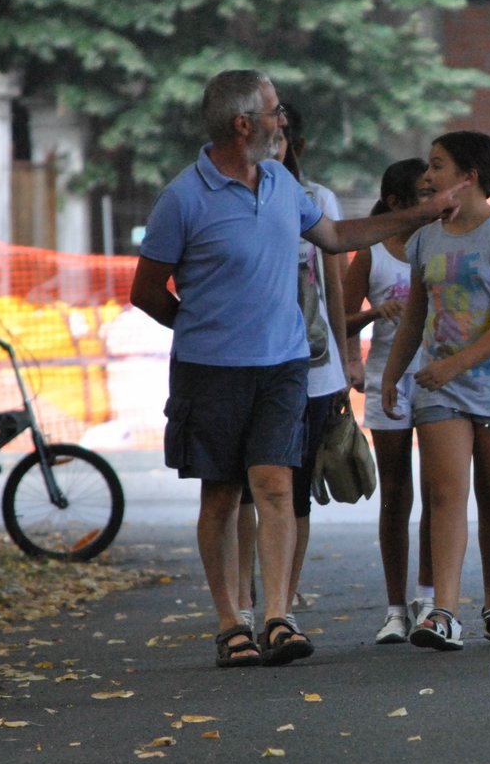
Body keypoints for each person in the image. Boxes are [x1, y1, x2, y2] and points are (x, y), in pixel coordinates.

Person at [130, 69, 450, 669]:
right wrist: (201, 327)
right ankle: (231, 623)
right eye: (275, 113)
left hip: (284, 366)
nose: (284, 122)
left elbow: (334, 235)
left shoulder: (279, 181)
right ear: (242, 124)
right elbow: (146, 291)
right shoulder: (183, 197)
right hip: (211, 370)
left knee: (276, 486)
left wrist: (421, 215)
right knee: (222, 496)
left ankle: (277, 615)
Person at [382, 131, 490, 651]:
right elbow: (414, 317)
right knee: (444, 495)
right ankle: (442, 611)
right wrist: (390, 374)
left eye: (438, 166)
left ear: (468, 176)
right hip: (438, 388)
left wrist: (458, 365)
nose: (427, 176)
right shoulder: (425, 238)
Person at [234, 105, 357, 633]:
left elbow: (334, 286)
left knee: (295, 487)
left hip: (314, 366)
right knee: (242, 487)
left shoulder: (315, 201)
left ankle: (283, 591)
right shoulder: (233, 199)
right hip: (247, 360)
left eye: (281, 142)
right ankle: (242, 594)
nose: (273, 150)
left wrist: (348, 358)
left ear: (294, 147)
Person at [343, 159, 436, 644]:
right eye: (424, 191)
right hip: (388, 381)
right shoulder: (373, 254)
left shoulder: (444, 244)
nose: (435, 197)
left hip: (442, 380)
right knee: (397, 493)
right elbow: (338, 320)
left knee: (440, 491)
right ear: (398, 203)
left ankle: (429, 598)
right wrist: (374, 314)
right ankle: (396, 608)